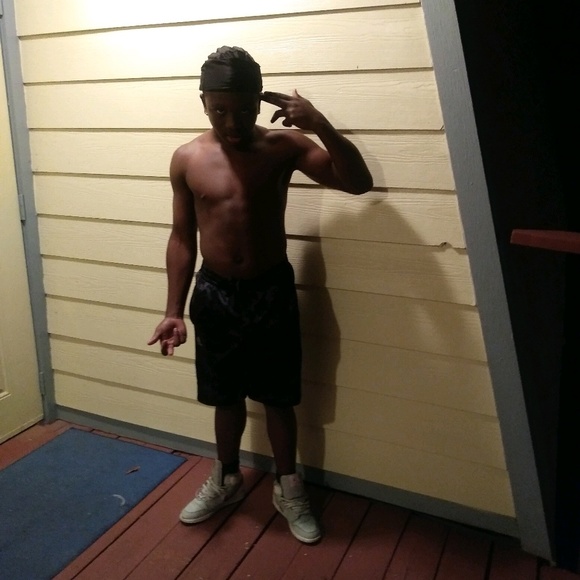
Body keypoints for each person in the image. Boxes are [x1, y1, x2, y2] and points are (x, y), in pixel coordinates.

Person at [148, 46, 373, 544]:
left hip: (271, 289)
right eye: (219, 109)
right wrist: (173, 310)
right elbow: (182, 237)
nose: (233, 122)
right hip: (214, 293)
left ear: (259, 102)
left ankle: (288, 487)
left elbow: (358, 184)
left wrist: (321, 125)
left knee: (277, 397)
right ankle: (226, 478)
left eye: (245, 109)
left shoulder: (284, 146)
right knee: (224, 396)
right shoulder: (187, 158)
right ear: (203, 101)